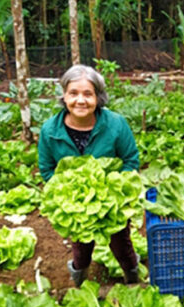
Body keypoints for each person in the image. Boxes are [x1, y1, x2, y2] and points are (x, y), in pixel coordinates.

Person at [38, 64, 140, 286]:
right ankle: (79, 277)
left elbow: (131, 160)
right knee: (81, 249)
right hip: (76, 208)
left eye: (88, 94)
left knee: (121, 244)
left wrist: (113, 192)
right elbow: (46, 170)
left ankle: (132, 275)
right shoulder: (49, 131)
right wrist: (65, 192)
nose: (80, 100)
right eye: (73, 93)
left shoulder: (115, 124)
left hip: (113, 204)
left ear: (98, 97)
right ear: (64, 96)